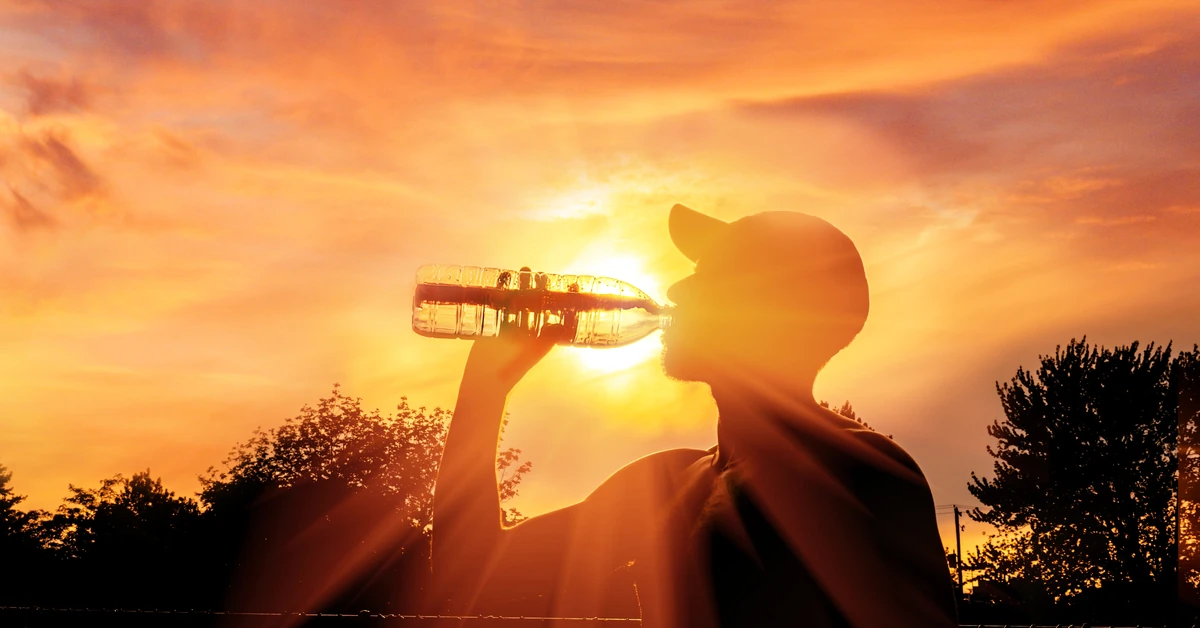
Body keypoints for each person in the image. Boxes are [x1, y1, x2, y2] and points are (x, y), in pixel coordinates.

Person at [430, 204, 958, 627]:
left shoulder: (858, 474)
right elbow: (471, 574)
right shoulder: (669, 482)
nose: (677, 290)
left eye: (711, 275)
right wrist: (486, 387)